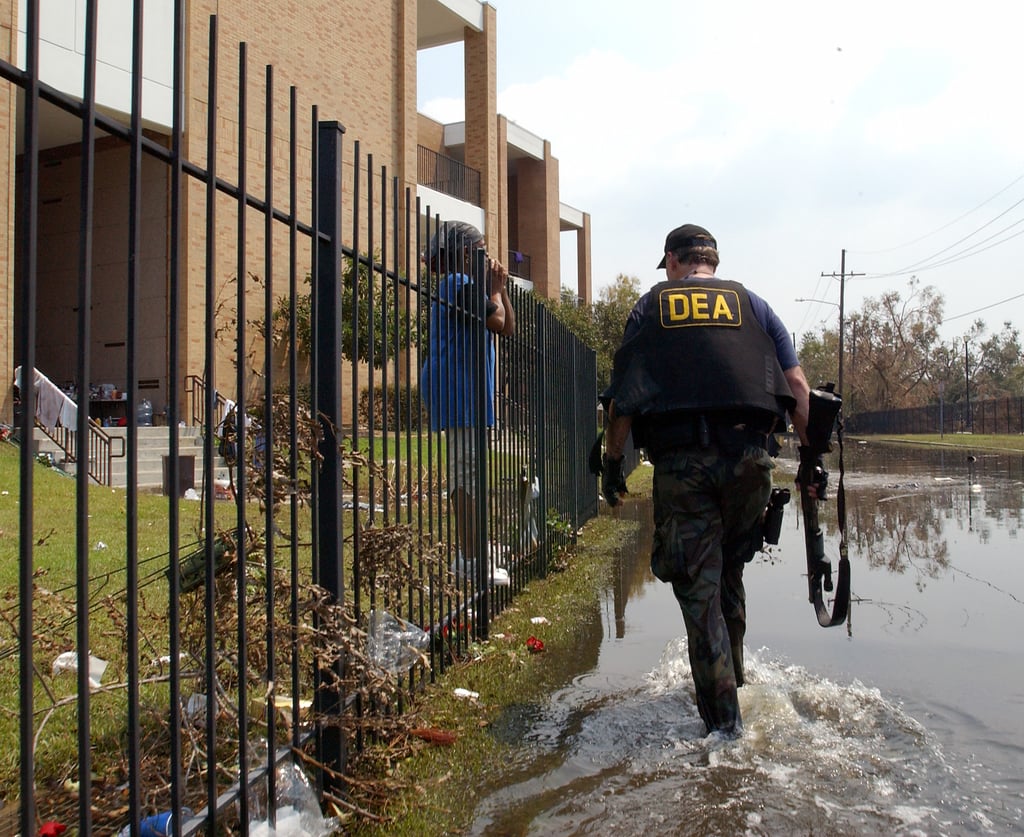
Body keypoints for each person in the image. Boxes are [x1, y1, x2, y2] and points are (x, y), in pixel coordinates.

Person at [600, 223, 810, 737]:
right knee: (730, 572)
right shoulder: (756, 307)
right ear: (712, 261)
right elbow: (798, 387)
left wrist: (611, 458)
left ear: (672, 260)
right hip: (750, 464)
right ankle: (734, 681)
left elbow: (624, 396)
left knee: (700, 595)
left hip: (684, 466)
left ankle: (726, 733)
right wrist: (811, 460)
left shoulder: (651, 307)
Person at [420, 222, 516, 579]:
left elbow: (507, 327)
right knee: (465, 474)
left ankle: (475, 548)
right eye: (483, 249)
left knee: (472, 473)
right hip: (458, 391)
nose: (489, 257)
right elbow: (497, 322)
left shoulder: (472, 289)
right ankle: (470, 559)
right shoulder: (456, 285)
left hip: (468, 392)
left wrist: (499, 290)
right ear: (465, 254)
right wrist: (494, 292)